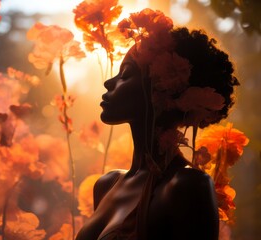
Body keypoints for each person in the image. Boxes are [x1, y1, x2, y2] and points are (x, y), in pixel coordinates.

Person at [75, 9, 239, 240]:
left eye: (126, 74)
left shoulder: (187, 186)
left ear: (162, 88)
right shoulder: (106, 184)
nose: (108, 82)